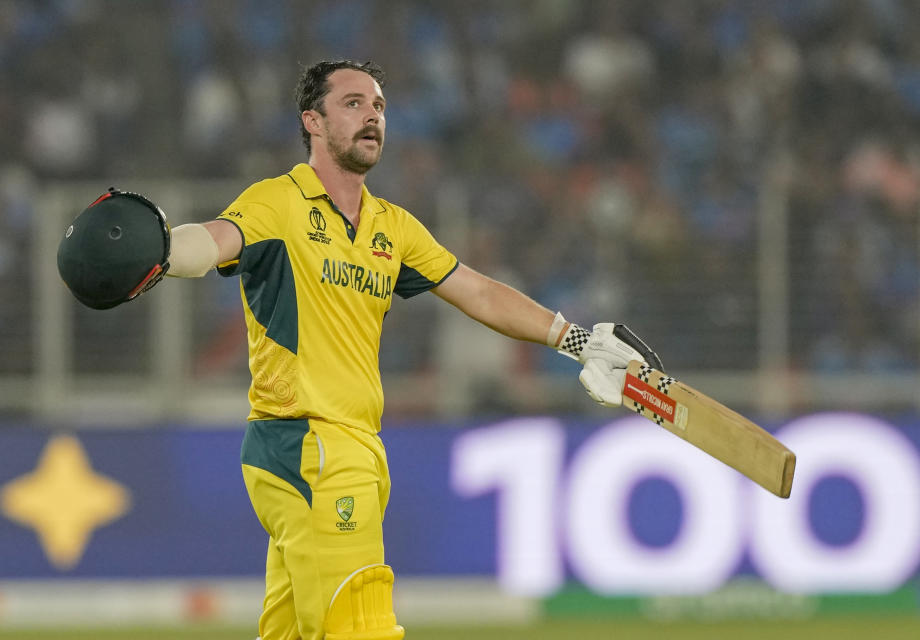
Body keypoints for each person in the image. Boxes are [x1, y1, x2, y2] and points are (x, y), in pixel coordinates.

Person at [161, 59, 659, 640]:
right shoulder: (280, 201)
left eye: (378, 106)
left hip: (355, 447)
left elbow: (476, 290)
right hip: (309, 444)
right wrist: (159, 249)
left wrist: (575, 341)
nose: (372, 115)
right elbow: (213, 242)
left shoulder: (390, 226)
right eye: (352, 103)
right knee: (362, 626)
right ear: (313, 122)